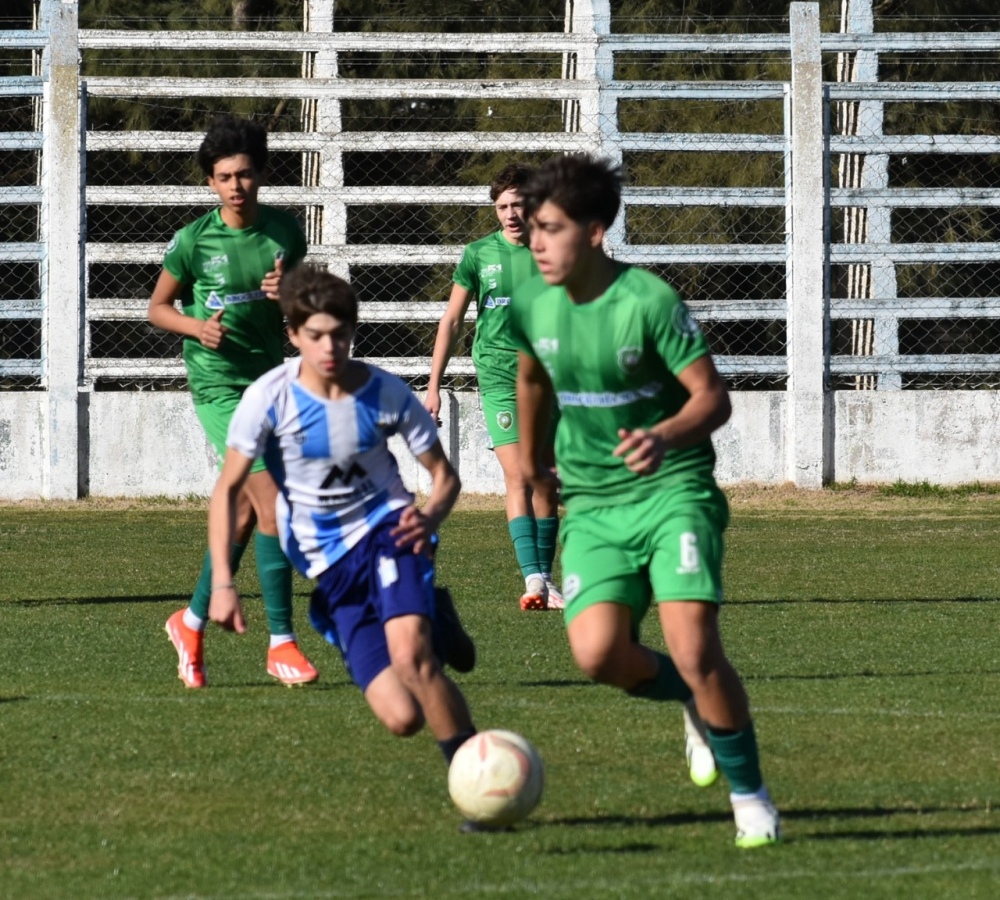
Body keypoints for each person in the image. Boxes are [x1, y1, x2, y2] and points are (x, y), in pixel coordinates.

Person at [510, 153, 779, 848]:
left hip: (671, 491)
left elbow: (712, 398)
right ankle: (692, 704)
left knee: (693, 646)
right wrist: (535, 461)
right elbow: (532, 376)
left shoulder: (649, 302)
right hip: (594, 505)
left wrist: (662, 436)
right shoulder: (536, 304)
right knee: (599, 654)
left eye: (551, 228)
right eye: (533, 228)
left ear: (595, 231)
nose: (536, 242)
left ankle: (750, 796)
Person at [206, 266, 482, 828]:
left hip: (389, 531)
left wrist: (428, 515)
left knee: (414, 661)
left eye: (340, 333)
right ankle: (436, 613)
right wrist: (223, 583)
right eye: (315, 335)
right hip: (330, 567)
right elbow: (228, 490)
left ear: (353, 330)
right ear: (293, 335)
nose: (329, 346)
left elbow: (445, 478)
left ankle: (479, 784)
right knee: (402, 717)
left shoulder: (383, 391)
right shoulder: (269, 397)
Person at [148, 115, 318, 688]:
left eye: (244, 174)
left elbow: (301, 314)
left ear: (262, 174)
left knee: (248, 511)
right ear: (211, 184)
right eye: (224, 177)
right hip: (217, 382)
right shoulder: (194, 240)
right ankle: (282, 644)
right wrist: (196, 329)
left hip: (268, 378)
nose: (235, 185)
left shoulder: (285, 233)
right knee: (271, 501)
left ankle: (190, 620)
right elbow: (157, 309)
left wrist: (286, 295)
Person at [425, 163, 562, 611]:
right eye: (502, 206)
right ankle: (533, 580)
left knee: (548, 482)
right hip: (498, 377)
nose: (510, 213)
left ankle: (546, 579)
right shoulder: (477, 255)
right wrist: (433, 386)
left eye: (518, 204)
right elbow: (451, 321)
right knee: (519, 474)